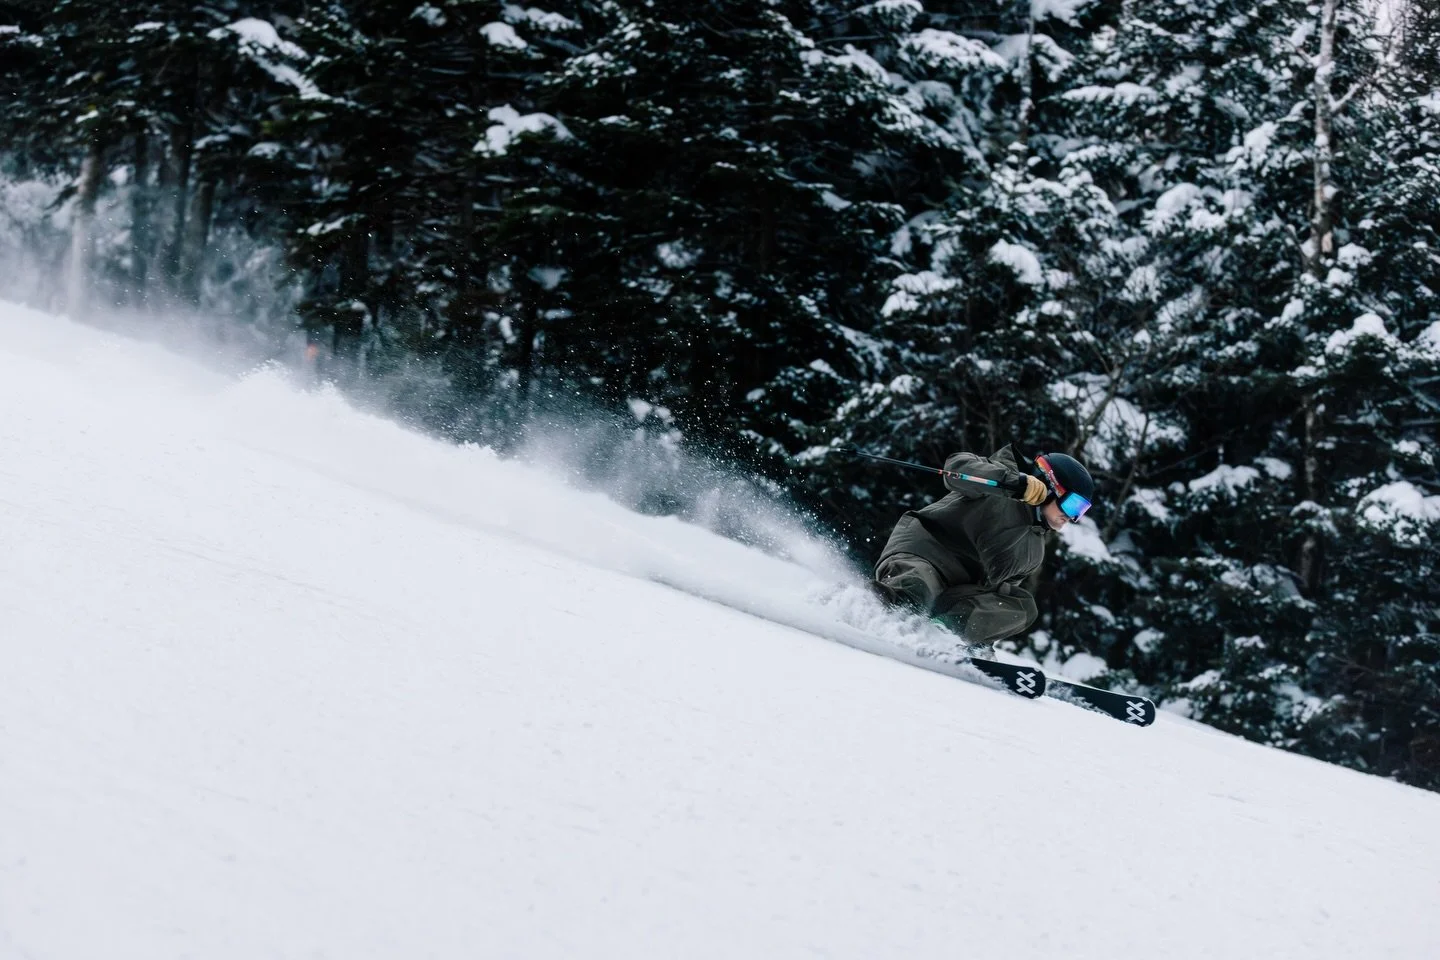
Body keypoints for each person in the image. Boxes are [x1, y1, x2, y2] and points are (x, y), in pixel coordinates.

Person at [871, 445, 1095, 651]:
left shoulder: (1034, 551)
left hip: (957, 591)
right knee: (917, 587)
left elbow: (990, 601)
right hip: (926, 553)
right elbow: (956, 467)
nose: (1071, 516)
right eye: (1072, 504)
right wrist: (1012, 483)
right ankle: (865, 610)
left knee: (1022, 606)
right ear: (1049, 486)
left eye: (1081, 511)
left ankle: (943, 636)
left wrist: (980, 638)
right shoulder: (1000, 483)